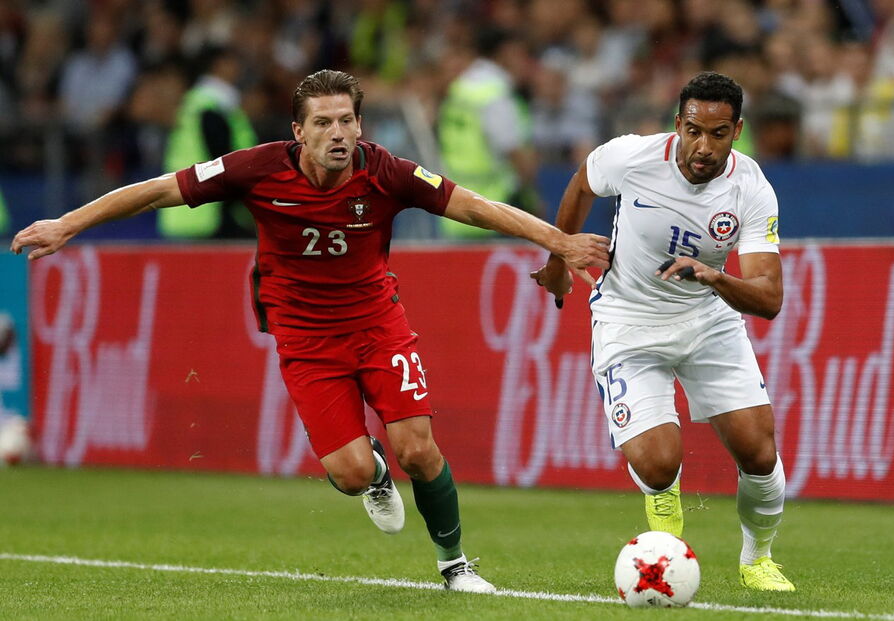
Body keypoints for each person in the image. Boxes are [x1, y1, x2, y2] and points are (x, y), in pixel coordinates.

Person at [11, 69, 610, 593]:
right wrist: (69, 224)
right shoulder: (256, 169)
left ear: (360, 125)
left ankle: (455, 566)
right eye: (323, 122)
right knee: (351, 472)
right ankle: (374, 475)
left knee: (418, 447)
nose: (338, 134)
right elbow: (161, 190)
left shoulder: (388, 171)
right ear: (298, 132)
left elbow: (473, 205)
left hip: (379, 323)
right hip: (304, 338)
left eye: (347, 120)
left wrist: (557, 241)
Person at [532, 72, 795, 592]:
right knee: (657, 464)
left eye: (718, 134)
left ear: (737, 131)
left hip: (707, 320)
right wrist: (559, 257)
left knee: (760, 454)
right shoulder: (631, 157)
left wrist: (716, 276)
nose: (703, 147)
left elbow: (769, 298)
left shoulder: (751, 188)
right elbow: (584, 180)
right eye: (694, 130)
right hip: (628, 320)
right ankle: (667, 540)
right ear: (678, 123)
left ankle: (758, 559)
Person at [437, 27, 540, 239]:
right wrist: (532, 197)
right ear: (505, 53)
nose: (525, 62)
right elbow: (515, 152)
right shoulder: (495, 94)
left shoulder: (460, 89)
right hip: (495, 210)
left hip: (453, 208)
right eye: (521, 54)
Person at [160, 46, 258, 239]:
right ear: (218, 66)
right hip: (210, 212)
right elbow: (225, 161)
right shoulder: (211, 107)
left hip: (184, 210)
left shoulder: (193, 104)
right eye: (232, 61)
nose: (238, 67)